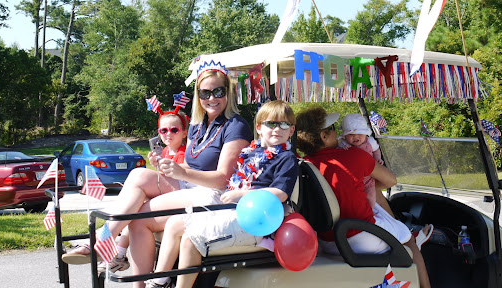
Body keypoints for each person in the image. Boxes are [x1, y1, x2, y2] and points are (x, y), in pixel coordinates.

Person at [62, 60, 253, 275]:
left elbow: (222, 179)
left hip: (216, 194)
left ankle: (104, 243)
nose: (212, 98)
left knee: (138, 219)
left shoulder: (235, 125)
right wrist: (167, 167)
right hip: (191, 186)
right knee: (138, 175)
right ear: (198, 96)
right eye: (205, 93)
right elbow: (189, 165)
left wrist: (182, 172)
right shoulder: (198, 126)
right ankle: (103, 240)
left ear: (228, 92)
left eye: (218, 91)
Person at [143, 100, 299, 288]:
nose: (277, 129)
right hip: (233, 210)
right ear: (259, 128)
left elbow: (280, 193)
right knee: (175, 223)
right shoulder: (252, 152)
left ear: (291, 130)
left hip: (256, 220)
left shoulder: (286, 157)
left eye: (284, 124)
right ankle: (159, 281)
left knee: (192, 239)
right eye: (271, 123)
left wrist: (241, 195)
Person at [296, 107, 431, 288]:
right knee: (410, 243)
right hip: (362, 237)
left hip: (327, 242)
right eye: (334, 128)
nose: (338, 133)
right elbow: (390, 180)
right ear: (323, 136)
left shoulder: (305, 165)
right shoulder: (354, 156)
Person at [96, 109, 190, 273]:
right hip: (164, 196)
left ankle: (115, 248)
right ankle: (118, 251)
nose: (168, 134)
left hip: (177, 197)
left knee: (136, 205)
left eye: (174, 130)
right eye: (163, 130)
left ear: (184, 133)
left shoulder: (186, 153)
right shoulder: (165, 152)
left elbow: (178, 179)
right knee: (133, 209)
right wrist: (156, 165)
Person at [338, 113, 383, 209]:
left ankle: (370, 210)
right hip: (353, 178)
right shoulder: (343, 144)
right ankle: (360, 209)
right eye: (351, 135)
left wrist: (378, 158)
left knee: (371, 195)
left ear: (365, 133)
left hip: (369, 177)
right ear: (345, 136)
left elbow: (376, 150)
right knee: (355, 196)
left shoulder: (370, 141)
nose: (356, 137)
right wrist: (342, 149)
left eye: (360, 133)